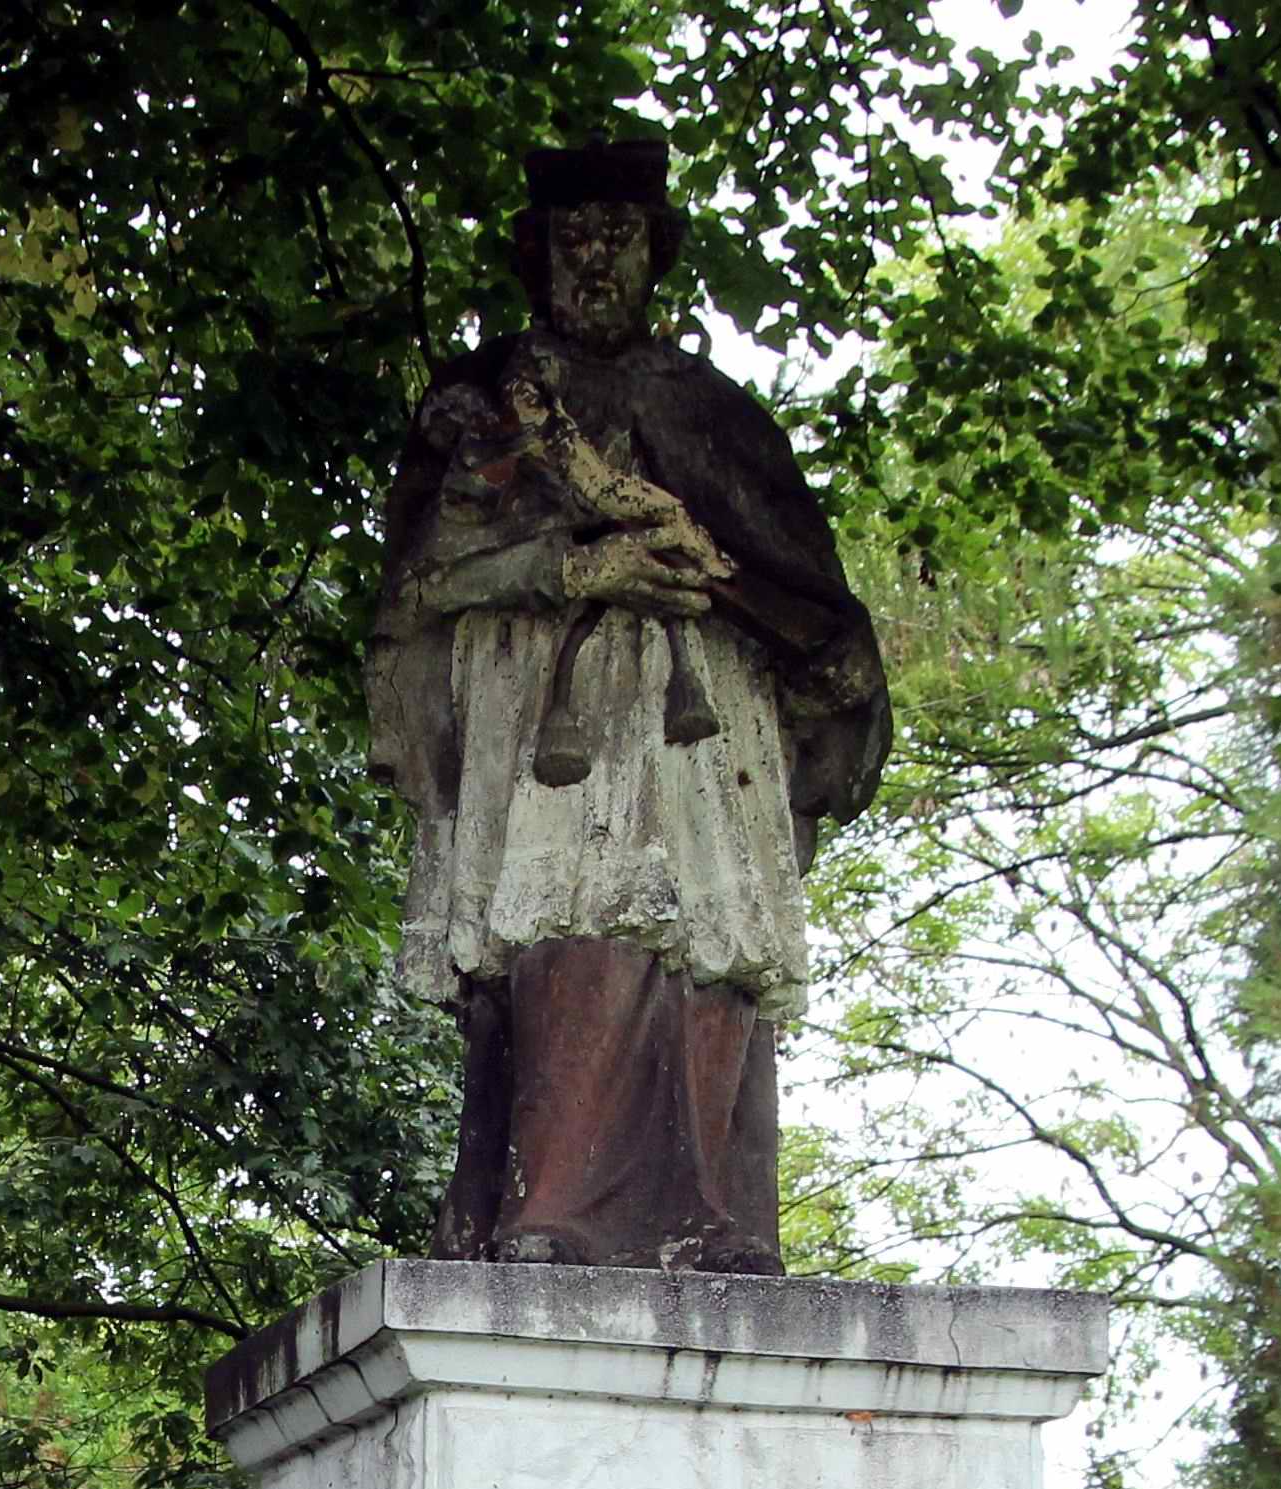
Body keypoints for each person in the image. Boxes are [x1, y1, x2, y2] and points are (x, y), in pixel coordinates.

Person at [367, 138, 890, 1274]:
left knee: (710, 936)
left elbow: (803, 593)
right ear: (538, 254)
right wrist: (574, 568)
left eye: (619, 236)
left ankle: (713, 1215)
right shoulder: (486, 400)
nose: (596, 260)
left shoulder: (717, 412)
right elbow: (421, 578)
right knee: (571, 919)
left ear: (656, 254)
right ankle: (553, 1205)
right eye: (574, 238)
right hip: (544, 705)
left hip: (708, 711)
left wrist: (743, 602)